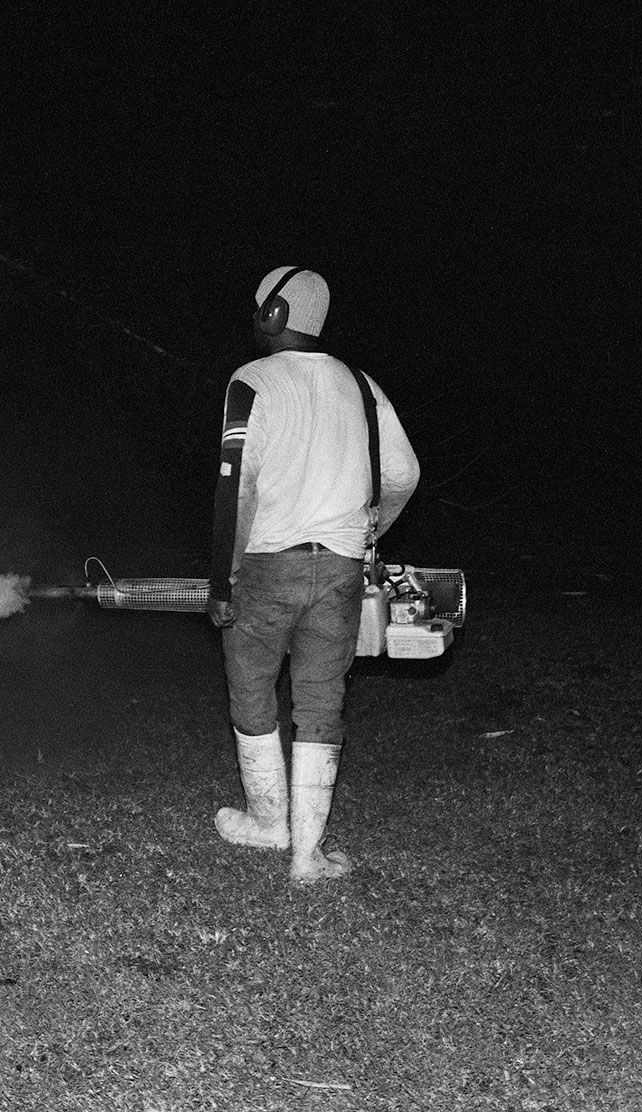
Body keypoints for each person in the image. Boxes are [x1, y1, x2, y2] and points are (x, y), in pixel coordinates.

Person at [207, 266, 420, 883]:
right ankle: (308, 856)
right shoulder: (360, 384)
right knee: (322, 698)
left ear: (274, 314)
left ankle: (268, 821)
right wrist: (366, 532)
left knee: (251, 685)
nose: (254, 317)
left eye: (258, 307)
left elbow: (236, 485)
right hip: (341, 568)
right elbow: (403, 473)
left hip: (271, 562)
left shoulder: (250, 381)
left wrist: (224, 578)